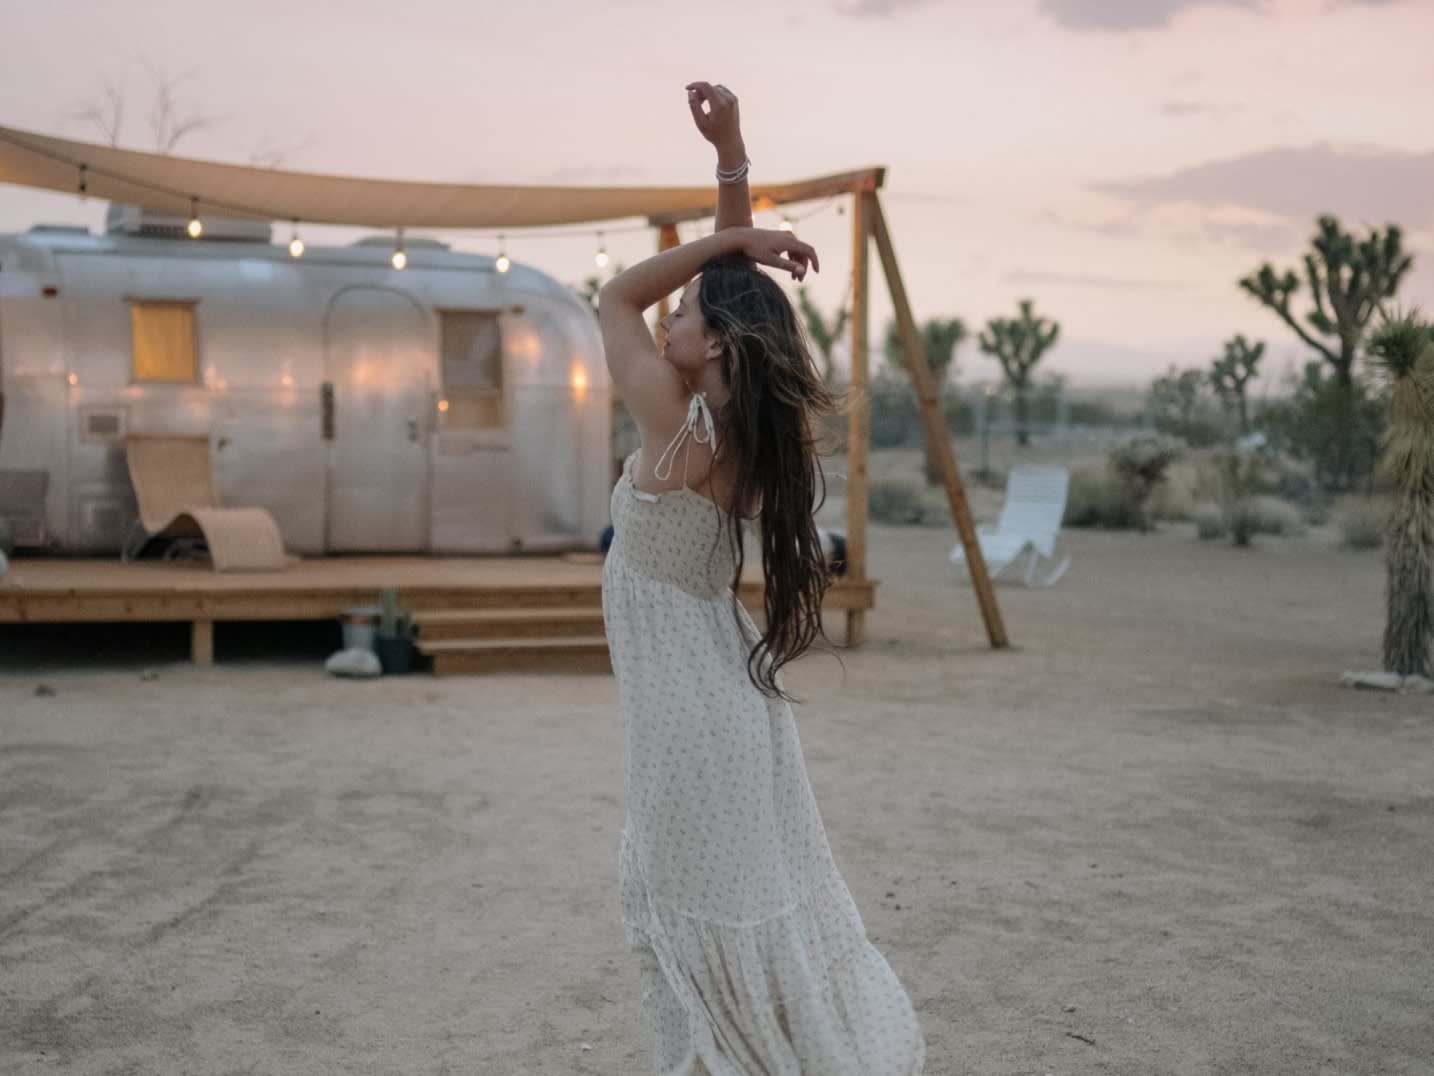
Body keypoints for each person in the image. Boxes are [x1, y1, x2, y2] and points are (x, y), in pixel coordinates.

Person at [598, 81, 926, 1075]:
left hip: (695, 720)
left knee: (689, 931)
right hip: (723, 711)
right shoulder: (740, 430)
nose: (667, 322)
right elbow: (704, 305)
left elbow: (614, 294)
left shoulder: (678, 424)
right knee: (721, 924)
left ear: (718, 346)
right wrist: (732, 164)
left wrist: (727, 246)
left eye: (687, 312)